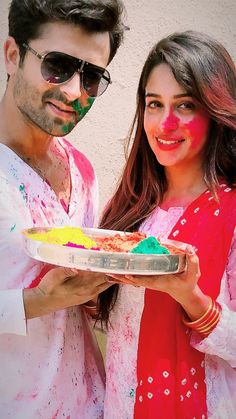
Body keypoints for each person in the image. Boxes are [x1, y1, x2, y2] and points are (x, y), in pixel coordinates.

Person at [98, 31, 236, 418]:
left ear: (215, 110)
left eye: (186, 105)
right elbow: (119, 325)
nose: (165, 123)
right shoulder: (128, 208)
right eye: (154, 104)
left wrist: (190, 298)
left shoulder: (230, 211)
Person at [0, 0, 125, 417]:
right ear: (13, 54)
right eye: (58, 64)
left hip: (92, 404)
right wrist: (35, 301)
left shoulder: (82, 169)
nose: (73, 91)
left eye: (91, 76)